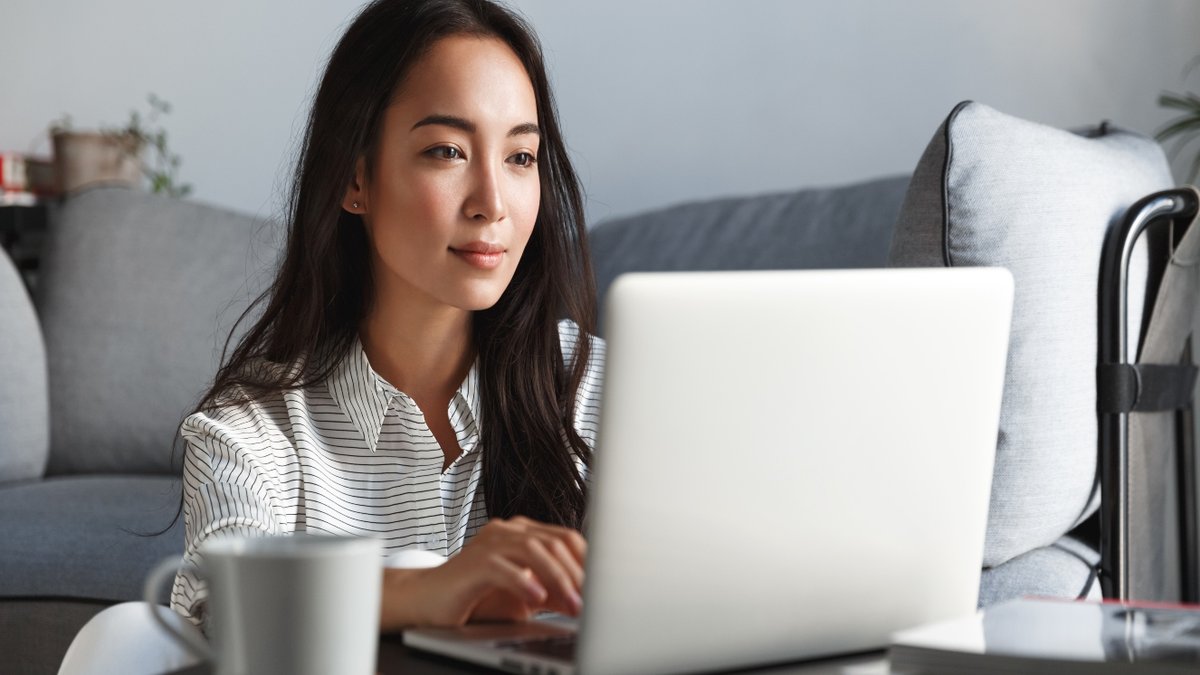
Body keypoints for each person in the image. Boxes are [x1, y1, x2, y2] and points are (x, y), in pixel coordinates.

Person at [163, 0, 603, 632]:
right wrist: (434, 589)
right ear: (355, 179)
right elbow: (221, 605)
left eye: (521, 157)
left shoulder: (605, 389)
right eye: (448, 151)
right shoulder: (251, 430)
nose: (492, 202)